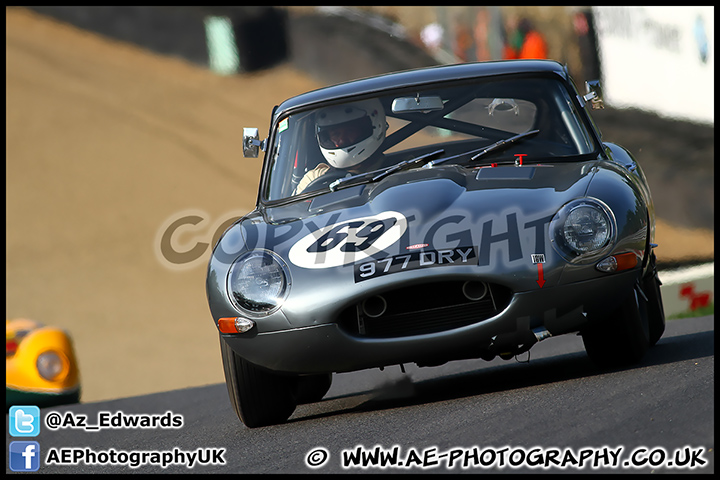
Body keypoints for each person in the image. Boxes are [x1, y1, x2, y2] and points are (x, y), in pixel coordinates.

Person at [295, 98, 388, 194]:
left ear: (368, 129)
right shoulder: (313, 178)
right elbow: (294, 208)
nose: (342, 140)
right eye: (335, 134)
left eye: (350, 131)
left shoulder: (396, 171)